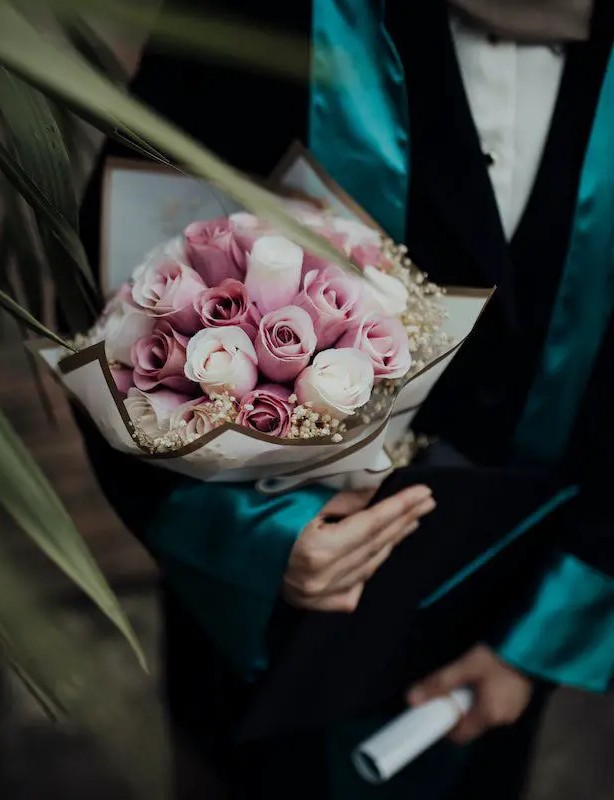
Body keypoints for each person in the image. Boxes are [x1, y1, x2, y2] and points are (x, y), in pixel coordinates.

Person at [75, 1, 614, 797]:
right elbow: (130, 300)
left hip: (501, 612)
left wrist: (539, 637)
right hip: (266, 622)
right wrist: (261, 540)